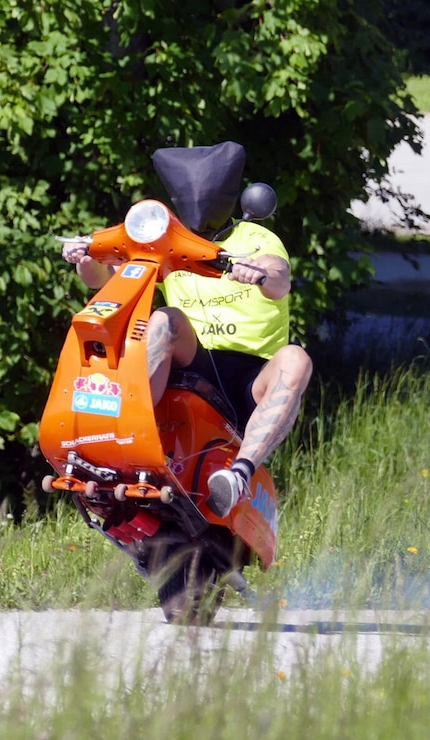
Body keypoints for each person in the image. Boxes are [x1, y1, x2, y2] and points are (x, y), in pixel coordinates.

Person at [61, 142, 312, 518]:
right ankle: (126, 440)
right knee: (164, 320)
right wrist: (85, 257)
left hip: (251, 380)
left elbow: (278, 276)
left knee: (296, 358)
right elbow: (102, 280)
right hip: (193, 368)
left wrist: (255, 271)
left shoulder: (255, 238)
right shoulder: (166, 240)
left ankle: (238, 475)